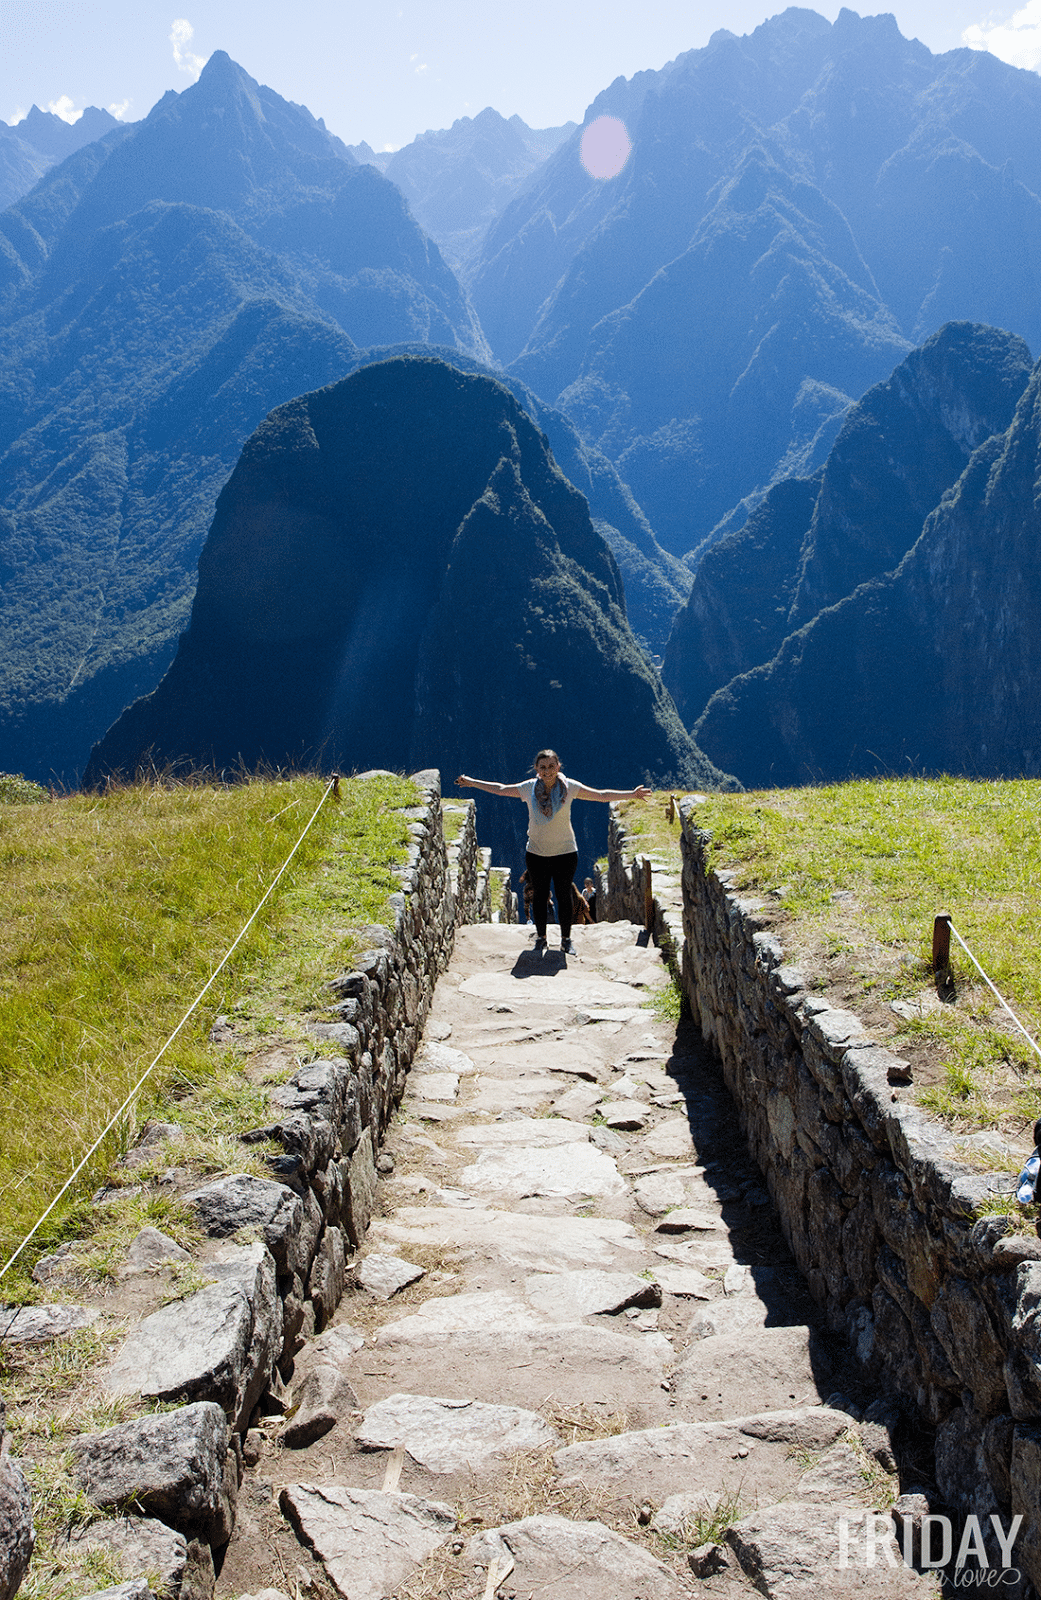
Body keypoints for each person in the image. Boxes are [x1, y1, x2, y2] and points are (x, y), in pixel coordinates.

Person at [456, 750, 651, 955]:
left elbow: (601, 795)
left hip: (565, 853)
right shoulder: (529, 788)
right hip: (536, 853)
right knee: (540, 896)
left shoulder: (570, 788)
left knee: (564, 895)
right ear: (537, 770)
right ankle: (541, 938)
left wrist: (632, 794)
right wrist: (472, 782)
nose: (547, 771)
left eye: (551, 766)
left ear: (558, 767)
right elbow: (501, 789)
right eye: (543, 767)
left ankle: (566, 939)